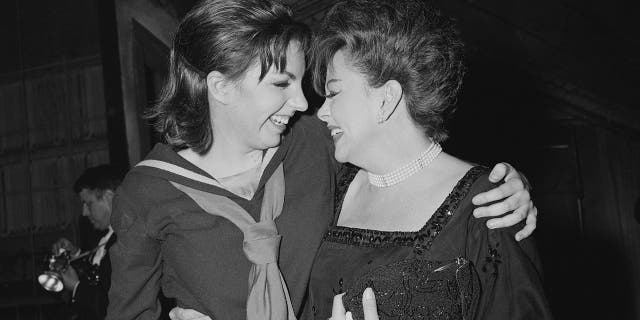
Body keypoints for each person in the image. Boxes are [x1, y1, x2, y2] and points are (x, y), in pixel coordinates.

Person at [106, 1, 537, 320]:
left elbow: (402, 160)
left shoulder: (312, 144)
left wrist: (508, 185)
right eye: (281, 83)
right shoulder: (147, 192)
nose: (301, 101)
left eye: (304, 83)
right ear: (221, 87)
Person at [305, 1, 553, 319]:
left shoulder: (490, 207)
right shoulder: (333, 183)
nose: (322, 112)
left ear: (387, 98)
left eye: (334, 92)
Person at [50, 165, 126, 320]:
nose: (84, 212)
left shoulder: (125, 242)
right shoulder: (111, 237)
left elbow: (109, 306)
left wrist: (77, 288)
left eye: (88, 203)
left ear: (109, 198)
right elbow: (101, 270)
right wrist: (76, 254)